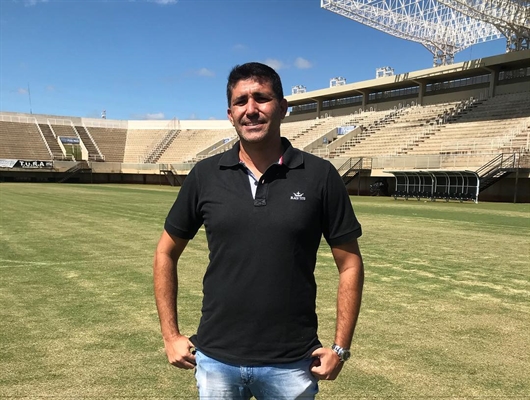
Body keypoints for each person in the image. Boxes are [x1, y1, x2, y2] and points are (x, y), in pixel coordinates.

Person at [153, 62, 364, 399]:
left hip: (292, 362)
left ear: (282, 107)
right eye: (241, 101)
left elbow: (350, 263)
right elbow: (166, 251)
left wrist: (340, 348)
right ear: (230, 113)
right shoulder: (205, 175)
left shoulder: (319, 176)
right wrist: (170, 335)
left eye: (261, 98)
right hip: (216, 359)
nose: (250, 109)